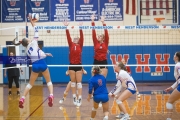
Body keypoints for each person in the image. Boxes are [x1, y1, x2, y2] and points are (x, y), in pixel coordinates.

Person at [12, 14, 54, 108]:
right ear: (28, 41)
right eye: (28, 38)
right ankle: (51, 95)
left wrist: (45, 53)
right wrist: (33, 23)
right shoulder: (34, 42)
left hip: (34, 65)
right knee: (49, 81)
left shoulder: (27, 49)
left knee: (30, 84)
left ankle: (22, 98)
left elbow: (37, 51)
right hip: (42, 63)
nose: (29, 38)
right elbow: (36, 30)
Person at [63, 21, 84, 107]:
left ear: (79, 40)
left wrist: (80, 27)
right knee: (72, 82)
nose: (75, 38)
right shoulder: (71, 44)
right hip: (71, 65)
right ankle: (74, 97)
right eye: (74, 38)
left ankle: (80, 98)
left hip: (78, 65)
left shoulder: (80, 45)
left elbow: (82, 37)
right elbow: (68, 37)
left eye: (77, 38)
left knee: (78, 82)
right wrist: (66, 27)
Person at [164, 52, 180, 120]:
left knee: (169, 102)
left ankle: (169, 119)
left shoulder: (178, 65)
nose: (173, 56)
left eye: (174, 55)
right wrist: (171, 88)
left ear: (176, 57)